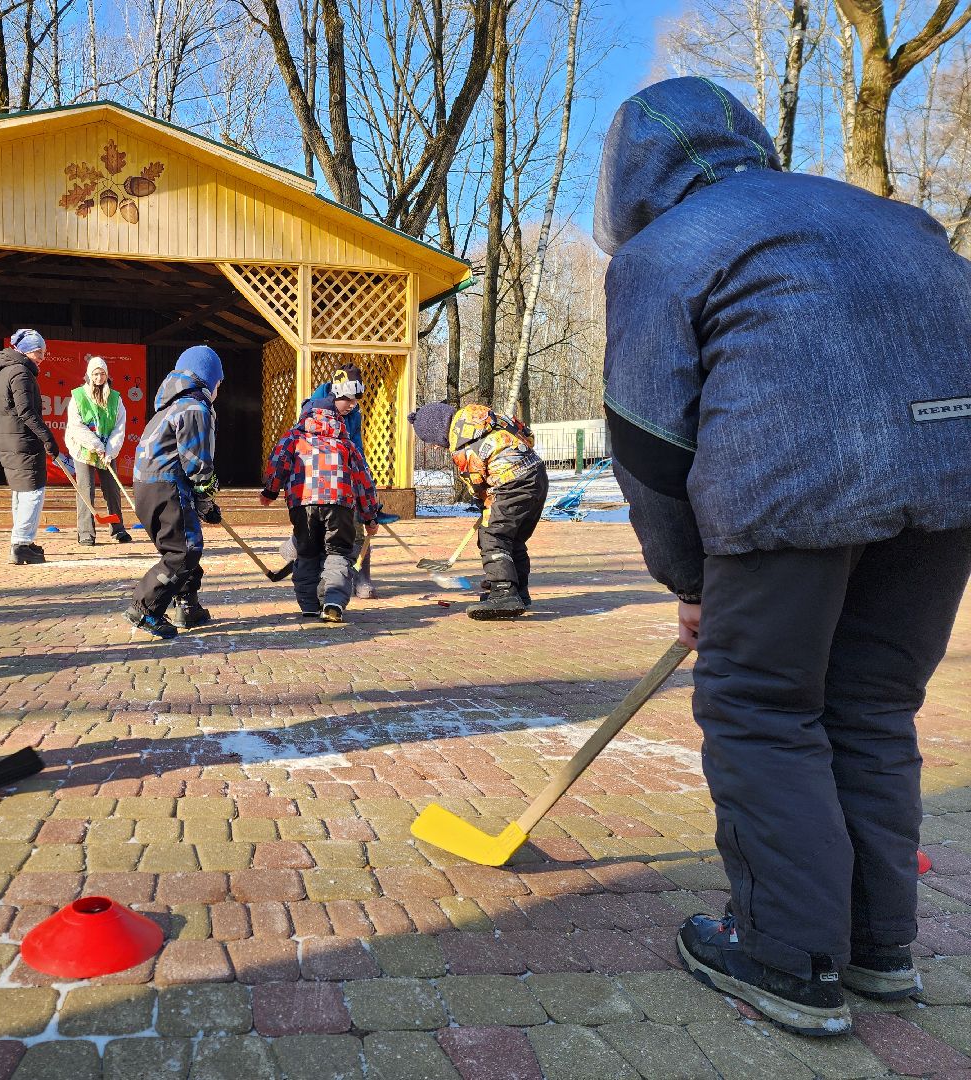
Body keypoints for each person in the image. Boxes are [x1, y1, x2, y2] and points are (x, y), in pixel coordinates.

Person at [595, 76, 971, 1036]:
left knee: (764, 710)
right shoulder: (899, 221)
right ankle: (879, 948)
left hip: (790, 491)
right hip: (950, 487)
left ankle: (788, 958)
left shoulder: (665, 251)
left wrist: (691, 580)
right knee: (873, 708)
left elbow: (647, 438)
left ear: (633, 178)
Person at [410, 400, 547, 619]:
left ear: (437, 430)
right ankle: (518, 591)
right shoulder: (486, 416)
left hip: (510, 483)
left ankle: (504, 593)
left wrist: (483, 502)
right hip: (537, 474)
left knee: (492, 536)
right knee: (513, 538)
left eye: (432, 441)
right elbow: (526, 433)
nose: (435, 447)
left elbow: (475, 483)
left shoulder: (461, 446)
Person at [124, 345, 223, 638]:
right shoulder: (194, 408)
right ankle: (145, 609)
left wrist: (202, 503)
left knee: (182, 547)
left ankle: (187, 606)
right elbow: (196, 459)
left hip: (149, 487)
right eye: (218, 382)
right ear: (207, 379)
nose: (219, 388)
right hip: (166, 486)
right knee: (184, 551)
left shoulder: (170, 406)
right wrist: (205, 497)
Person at [260, 397, 380, 623]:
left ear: (305, 415)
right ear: (335, 417)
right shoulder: (345, 444)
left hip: (303, 503)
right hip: (340, 504)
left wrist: (270, 492)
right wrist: (370, 515)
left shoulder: (293, 438)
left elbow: (278, 464)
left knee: (306, 553)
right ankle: (333, 601)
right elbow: (364, 481)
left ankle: (309, 605)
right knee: (337, 553)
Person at [275, 366, 379, 598]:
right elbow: (292, 448)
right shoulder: (314, 408)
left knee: (352, 528)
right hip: (312, 484)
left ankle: (359, 575)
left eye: (356, 401)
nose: (353, 405)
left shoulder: (353, 413)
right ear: (337, 394)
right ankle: (319, 583)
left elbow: (357, 448)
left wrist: (366, 499)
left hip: (343, 478)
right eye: (349, 400)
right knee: (318, 535)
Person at [0, 328, 69, 565]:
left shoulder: (6, 370)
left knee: (21, 491)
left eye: (44, 352)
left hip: (10, 439)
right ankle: (21, 543)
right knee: (32, 492)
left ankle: (22, 541)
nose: (42, 357)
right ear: (25, 352)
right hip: (21, 440)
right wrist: (48, 438)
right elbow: (26, 411)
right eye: (38, 352)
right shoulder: (20, 373)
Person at [64, 354, 131, 545]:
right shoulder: (78, 396)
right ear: (89, 375)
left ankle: (118, 529)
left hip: (107, 451)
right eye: (95, 374)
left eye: (102, 374)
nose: (99, 378)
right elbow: (76, 426)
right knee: (86, 490)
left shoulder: (115, 398)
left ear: (107, 375)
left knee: (112, 489)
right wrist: (96, 446)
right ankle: (86, 533)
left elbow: (119, 427)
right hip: (84, 448)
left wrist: (109, 451)